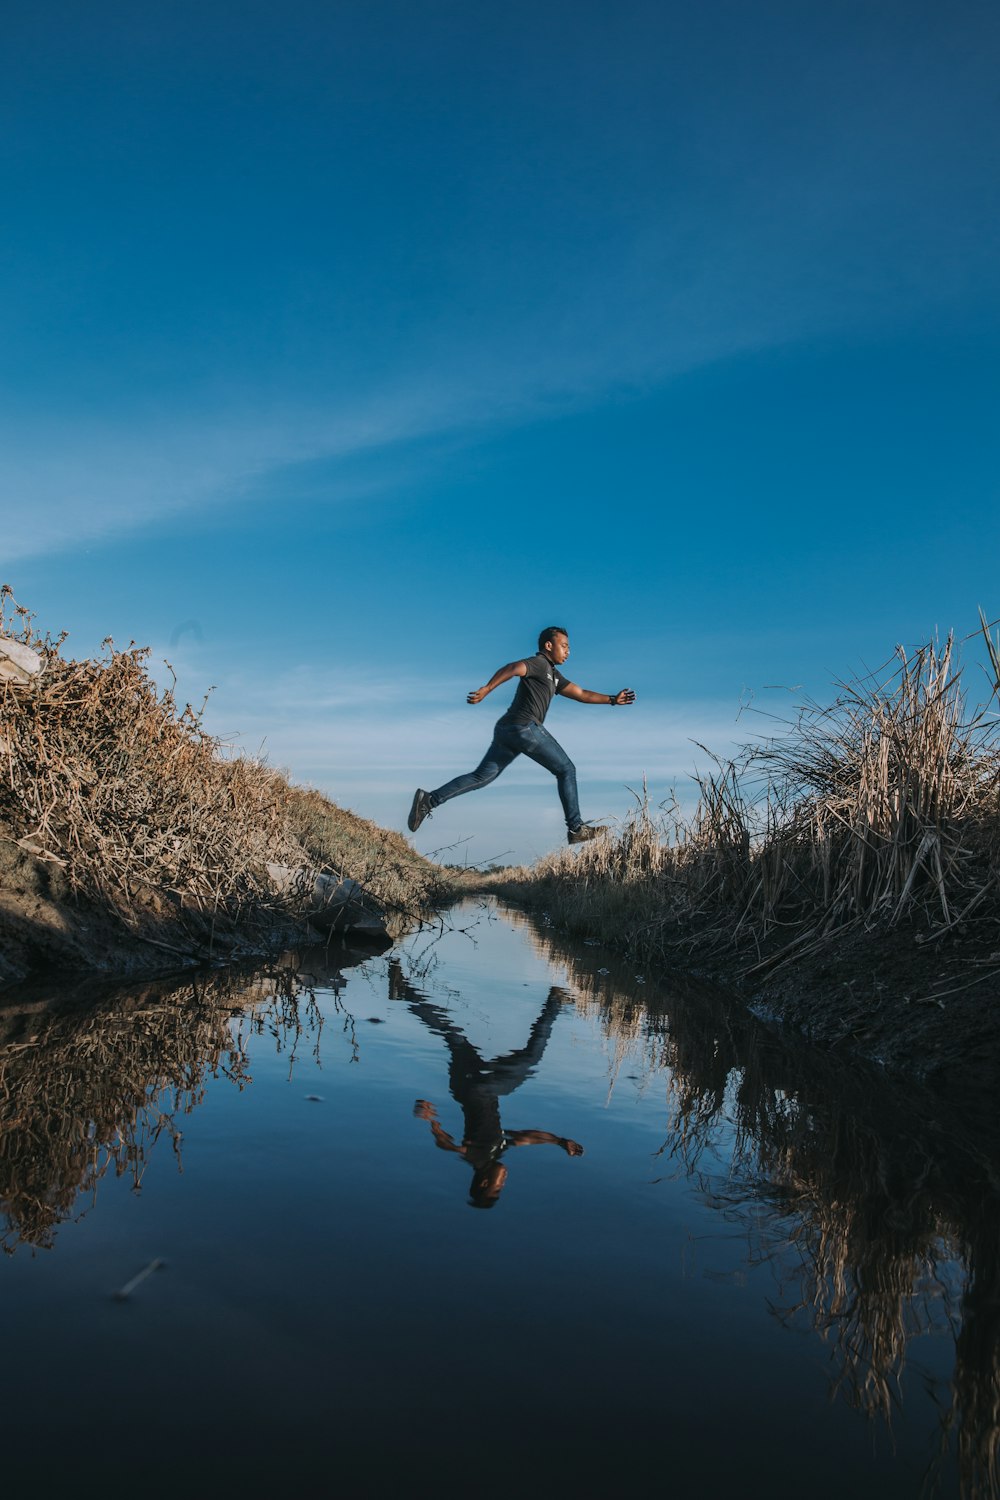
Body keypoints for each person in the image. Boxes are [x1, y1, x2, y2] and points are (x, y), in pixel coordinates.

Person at [407, 626, 636, 845]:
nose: (568, 651)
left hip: (507, 730)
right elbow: (513, 667)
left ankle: (429, 800)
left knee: (481, 777)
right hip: (524, 728)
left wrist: (613, 700)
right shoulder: (538, 663)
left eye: (568, 647)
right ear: (549, 645)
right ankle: (576, 828)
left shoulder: (554, 675)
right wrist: (487, 689)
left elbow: (581, 693)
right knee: (566, 769)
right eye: (564, 645)